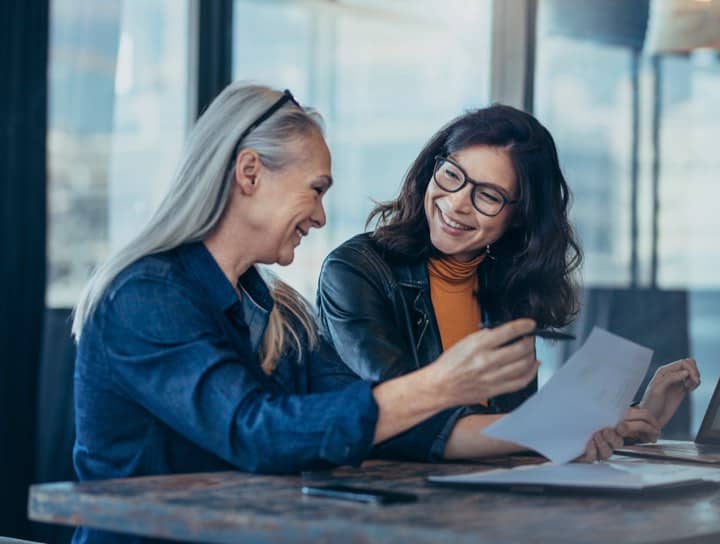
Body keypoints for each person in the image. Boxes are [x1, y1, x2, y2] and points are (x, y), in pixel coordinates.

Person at [70, 84, 548, 543]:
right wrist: (439, 384)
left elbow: (383, 421)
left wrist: (557, 431)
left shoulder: (278, 312)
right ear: (250, 172)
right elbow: (256, 432)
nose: (321, 216)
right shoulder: (144, 297)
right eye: (316, 190)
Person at [317, 104, 701, 462]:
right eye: (451, 174)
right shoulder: (356, 270)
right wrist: (558, 430)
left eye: (488, 195)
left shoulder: (508, 287)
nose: (456, 203)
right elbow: (404, 414)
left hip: (482, 499)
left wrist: (628, 420)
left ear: (518, 217)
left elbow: (514, 431)